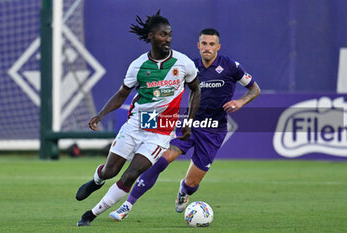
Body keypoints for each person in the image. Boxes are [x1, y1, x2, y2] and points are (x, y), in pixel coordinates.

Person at [109, 28, 261, 221]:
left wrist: (241, 102)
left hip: (214, 131)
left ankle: (184, 190)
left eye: (211, 44)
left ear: (218, 47)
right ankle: (126, 206)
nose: (207, 48)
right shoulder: (189, 66)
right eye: (204, 44)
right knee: (161, 160)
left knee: (192, 183)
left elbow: (255, 89)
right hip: (189, 125)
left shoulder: (230, 66)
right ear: (198, 46)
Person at [75, 10, 200, 226]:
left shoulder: (184, 63)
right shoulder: (139, 65)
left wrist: (188, 122)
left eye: (169, 34)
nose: (167, 39)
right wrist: (101, 114)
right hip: (138, 123)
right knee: (110, 171)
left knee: (130, 175)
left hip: (161, 131)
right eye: (162, 35)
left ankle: (91, 214)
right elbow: (122, 94)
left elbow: (196, 91)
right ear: (151, 36)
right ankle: (97, 179)